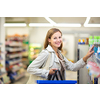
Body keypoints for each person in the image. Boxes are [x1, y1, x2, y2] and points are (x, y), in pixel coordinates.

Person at [27, 28, 94, 82]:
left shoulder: (60, 55)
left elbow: (73, 67)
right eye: (55, 38)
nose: (58, 40)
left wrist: (86, 56)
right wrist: (48, 72)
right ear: (49, 40)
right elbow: (30, 68)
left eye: (59, 37)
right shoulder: (46, 53)